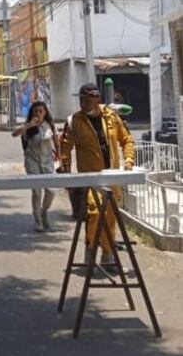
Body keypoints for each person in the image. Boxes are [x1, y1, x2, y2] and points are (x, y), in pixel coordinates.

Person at [60, 83, 135, 271]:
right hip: (90, 178)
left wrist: (128, 159)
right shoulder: (74, 121)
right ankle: (89, 255)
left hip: (111, 176)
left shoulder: (112, 117)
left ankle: (108, 257)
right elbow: (65, 148)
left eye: (87, 99)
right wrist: (66, 173)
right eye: (81, 99)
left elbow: (127, 140)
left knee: (110, 216)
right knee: (94, 213)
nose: (83, 103)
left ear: (97, 99)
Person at [12, 101, 60, 232]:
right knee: (36, 192)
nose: (38, 114)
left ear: (45, 112)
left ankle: (44, 211)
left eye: (41, 111)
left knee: (51, 191)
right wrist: (29, 125)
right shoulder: (28, 126)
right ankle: (38, 219)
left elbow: (57, 143)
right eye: (35, 111)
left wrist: (61, 160)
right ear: (32, 113)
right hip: (32, 162)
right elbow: (14, 134)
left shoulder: (50, 125)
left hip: (48, 162)